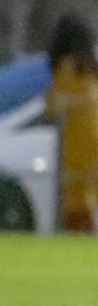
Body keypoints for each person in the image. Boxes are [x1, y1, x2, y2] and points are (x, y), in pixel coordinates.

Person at [46, 14, 98, 234]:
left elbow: (53, 106)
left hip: (78, 146)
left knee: (77, 207)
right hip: (91, 141)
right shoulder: (89, 69)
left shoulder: (67, 68)